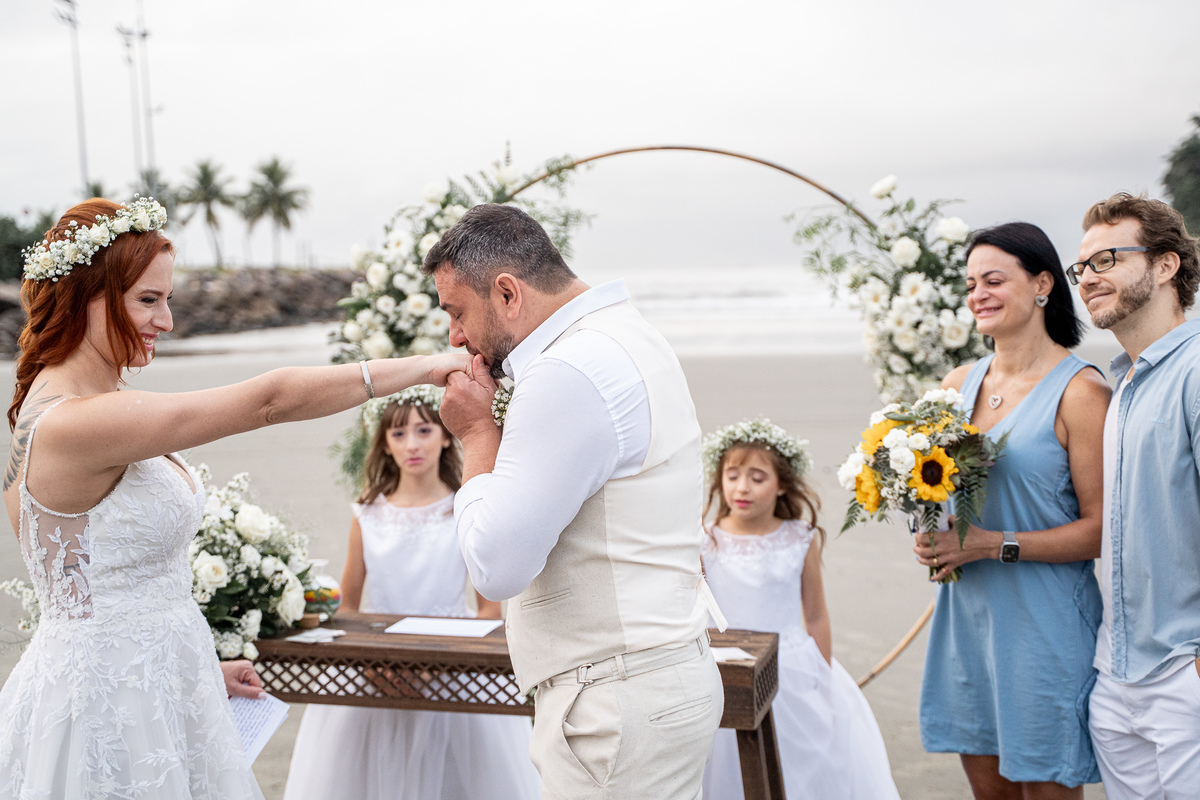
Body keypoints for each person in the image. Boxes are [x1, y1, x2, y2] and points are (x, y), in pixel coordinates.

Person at [0, 197, 466, 799]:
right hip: (112, 709)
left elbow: (101, 587)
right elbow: (267, 401)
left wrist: (194, 669)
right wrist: (429, 367)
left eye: (167, 300)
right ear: (84, 295)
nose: (165, 322)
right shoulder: (73, 423)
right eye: (148, 299)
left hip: (154, 688)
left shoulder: (76, 410)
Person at [425, 204, 724, 799]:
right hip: (654, 679)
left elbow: (497, 567)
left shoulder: (567, 371)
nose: (455, 337)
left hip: (614, 706)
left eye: (457, 313)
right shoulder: (627, 333)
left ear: (507, 292)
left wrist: (479, 436)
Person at [914, 222, 1111, 798]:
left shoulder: (1082, 393)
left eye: (994, 279)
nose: (978, 294)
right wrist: (932, 534)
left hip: (1042, 628)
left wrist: (988, 542)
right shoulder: (956, 384)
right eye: (971, 283)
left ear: (1043, 283)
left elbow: (1104, 530)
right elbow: (935, 492)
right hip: (966, 619)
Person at [283, 387, 540, 800]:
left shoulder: (467, 509)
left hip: (453, 674)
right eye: (399, 434)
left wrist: (440, 662)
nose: (413, 444)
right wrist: (372, 662)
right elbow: (348, 606)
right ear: (385, 443)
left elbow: (489, 609)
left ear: (444, 436)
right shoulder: (366, 515)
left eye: (424, 430)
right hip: (374, 672)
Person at [1069, 193, 1200, 799]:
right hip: (1117, 675)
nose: (1088, 280)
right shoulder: (1121, 382)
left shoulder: (1196, 370)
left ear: (1166, 265)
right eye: (1082, 268)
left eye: (1106, 260)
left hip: (1185, 673)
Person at [699, 419, 900, 800]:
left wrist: (822, 677)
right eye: (733, 475)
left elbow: (816, 614)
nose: (742, 487)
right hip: (724, 672)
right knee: (725, 771)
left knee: (801, 767)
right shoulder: (705, 540)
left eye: (757, 477)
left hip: (791, 669)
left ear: (782, 484)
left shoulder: (799, 538)